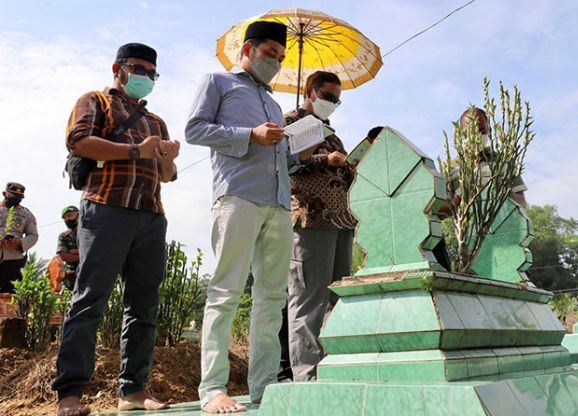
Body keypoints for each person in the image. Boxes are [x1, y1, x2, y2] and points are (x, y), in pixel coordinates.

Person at [52, 42, 180, 416]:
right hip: (106, 209)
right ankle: (70, 395)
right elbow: (78, 141)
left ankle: (133, 391)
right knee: (90, 300)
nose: (145, 77)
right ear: (118, 69)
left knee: (143, 306)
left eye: (152, 73)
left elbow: (167, 176)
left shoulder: (156, 121)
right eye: (138, 69)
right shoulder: (95, 101)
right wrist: (137, 150)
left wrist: (167, 160)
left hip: (150, 214)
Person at [185, 20, 306, 413]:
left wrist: (300, 146)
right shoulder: (218, 82)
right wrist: (249, 135)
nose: (276, 61)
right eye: (270, 53)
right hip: (237, 197)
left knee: (272, 299)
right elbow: (195, 130)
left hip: (278, 203)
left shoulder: (274, 104)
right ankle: (213, 390)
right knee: (225, 293)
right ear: (249, 49)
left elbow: (280, 159)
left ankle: (265, 386)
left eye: (281, 57)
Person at [283, 71, 356, 381]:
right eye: (328, 97)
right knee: (309, 298)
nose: (332, 104)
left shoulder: (331, 133)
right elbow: (287, 163)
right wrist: (326, 161)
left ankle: (332, 368)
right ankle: (308, 375)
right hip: (310, 219)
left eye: (336, 100)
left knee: (336, 301)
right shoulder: (291, 122)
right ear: (310, 92)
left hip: (340, 221)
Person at [458, 107, 528, 207]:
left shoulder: (504, 161)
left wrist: (498, 194)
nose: (478, 136)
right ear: (461, 134)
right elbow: (442, 212)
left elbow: (522, 202)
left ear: (489, 130)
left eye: (482, 130)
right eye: (472, 132)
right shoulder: (451, 168)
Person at [0, 182, 38, 293]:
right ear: (4, 194)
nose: (15, 200)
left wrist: (19, 242)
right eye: (12, 197)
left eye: (18, 198)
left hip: (12, 263)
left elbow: (33, 235)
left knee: (12, 302)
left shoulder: (26, 214)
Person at [56, 206, 80, 292]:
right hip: (72, 278)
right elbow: (62, 255)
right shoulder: (64, 236)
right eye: (64, 218)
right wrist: (82, 256)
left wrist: (73, 251)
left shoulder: (90, 233)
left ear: (79, 215)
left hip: (91, 275)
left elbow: (95, 252)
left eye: (70, 216)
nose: (67, 219)